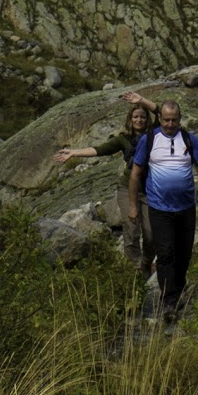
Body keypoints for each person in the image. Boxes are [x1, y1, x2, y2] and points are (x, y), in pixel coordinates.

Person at [54, 90, 156, 275]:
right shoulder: (123, 139)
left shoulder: (155, 135)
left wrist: (141, 100)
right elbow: (99, 150)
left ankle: (146, 264)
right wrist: (73, 153)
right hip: (128, 189)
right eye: (135, 116)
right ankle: (135, 269)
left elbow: (160, 112)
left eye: (142, 117)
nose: (139, 120)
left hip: (150, 190)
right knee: (132, 229)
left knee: (151, 234)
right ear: (130, 119)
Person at [129, 100, 198, 325]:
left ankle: (178, 288)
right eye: (166, 119)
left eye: (174, 120)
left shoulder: (189, 139)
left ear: (180, 119)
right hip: (159, 208)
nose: (170, 124)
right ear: (160, 118)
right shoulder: (150, 140)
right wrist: (134, 205)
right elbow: (135, 174)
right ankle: (169, 301)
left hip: (186, 208)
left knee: (183, 255)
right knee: (166, 253)